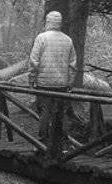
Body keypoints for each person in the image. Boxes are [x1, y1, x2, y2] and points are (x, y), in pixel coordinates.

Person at [27, 10, 76, 152]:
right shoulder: (68, 40)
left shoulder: (41, 38)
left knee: (45, 113)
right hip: (62, 84)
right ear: (59, 23)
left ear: (47, 22)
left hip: (44, 83)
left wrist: (31, 80)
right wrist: (70, 83)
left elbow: (34, 61)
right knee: (61, 114)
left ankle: (42, 144)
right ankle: (63, 145)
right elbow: (73, 65)